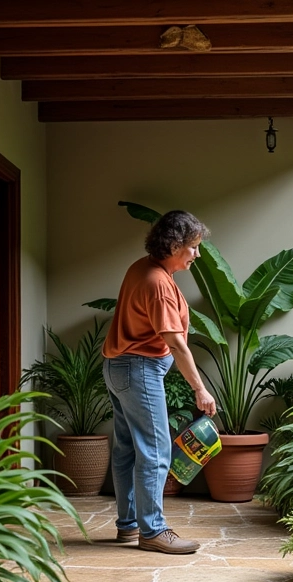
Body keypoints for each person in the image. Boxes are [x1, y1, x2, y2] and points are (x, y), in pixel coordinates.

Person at [102, 210, 216, 554]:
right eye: (193, 247)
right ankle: (152, 530)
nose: (197, 253)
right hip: (138, 370)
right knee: (154, 450)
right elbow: (177, 343)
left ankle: (129, 526)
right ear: (175, 245)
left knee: (126, 449)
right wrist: (200, 388)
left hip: (120, 367)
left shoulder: (145, 268)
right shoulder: (157, 283)